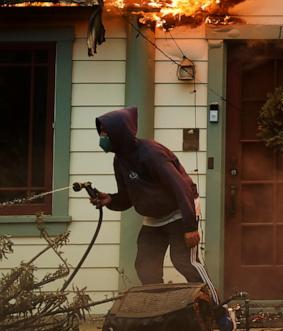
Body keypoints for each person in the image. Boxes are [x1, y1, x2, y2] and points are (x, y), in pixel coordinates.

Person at [89, 107, 218, 304]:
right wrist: (110, 200)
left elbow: (181, 187)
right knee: (145, 266)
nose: (102, 138)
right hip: (153, 219)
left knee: (184, 262)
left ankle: (218, 311)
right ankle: (161, 310)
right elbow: (127, 197)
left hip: (179, 212)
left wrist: (190, 227)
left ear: (119, 133)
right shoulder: (120, 160)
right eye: (101, 134)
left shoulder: (151, 153)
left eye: (105, 133)